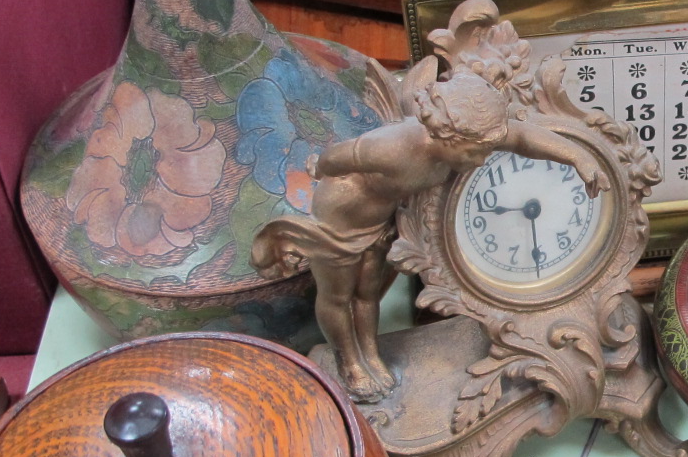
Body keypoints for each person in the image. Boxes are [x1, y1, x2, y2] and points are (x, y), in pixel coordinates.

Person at [253, 72, 607, 402]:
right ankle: (349, 362)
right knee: (337, 296)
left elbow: (521, 137)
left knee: (367, 292)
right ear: (448, 136)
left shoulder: (457, 143)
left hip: (378, 220)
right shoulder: (390, 148)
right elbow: (335, 158)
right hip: (340, 222)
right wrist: (319, 170)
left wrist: (578, 156)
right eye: (476, 152)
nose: (482, 160)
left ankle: (370, 355)